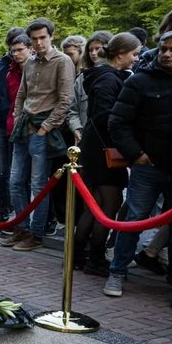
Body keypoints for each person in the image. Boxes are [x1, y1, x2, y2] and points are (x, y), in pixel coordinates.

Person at [105, 31, 172, 301]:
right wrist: (135, 154)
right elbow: (118, 121)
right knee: (134, 218)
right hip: (148, 163)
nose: (167, 54)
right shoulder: (141, 80)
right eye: (163, 49)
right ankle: (118, 270)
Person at [73, 33, 141, 276]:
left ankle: (78, 256)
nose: (136, 59)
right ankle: (93, 258)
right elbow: (105, 117)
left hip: (95, 146)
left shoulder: (103, 76)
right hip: (103, 150)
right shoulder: (108, 79)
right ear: (120, 53)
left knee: (94, 206)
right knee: (108, 206)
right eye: (134, 54)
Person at [4, 18, 75, 252]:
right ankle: (22, 228)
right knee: (15, 182)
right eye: (34, 39)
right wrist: (17, 118)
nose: (39, 43)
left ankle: (36, 233)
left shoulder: (62, 61)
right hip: (24, 125)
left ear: (52, 36)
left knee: (38, 184)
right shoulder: (31, 62)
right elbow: (22, 94)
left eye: (42, 37)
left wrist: (46, 127)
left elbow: (66, 99)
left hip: (43, 128)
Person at [0, 28, 27, 223]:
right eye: (12, 48)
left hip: (21, 123)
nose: (15, 52)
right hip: (2, 121)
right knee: (2, 171)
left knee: (18, 174)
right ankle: (3, 208)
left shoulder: (28, 66)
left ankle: (20, 214)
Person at [67, 32, 113, 145]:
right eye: (90, 50)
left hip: (110, 140)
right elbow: (72, 110)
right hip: (85, 138)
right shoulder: (82, 78)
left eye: (98, 49)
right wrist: (76, 128)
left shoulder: (121, 76)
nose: (93, 53)